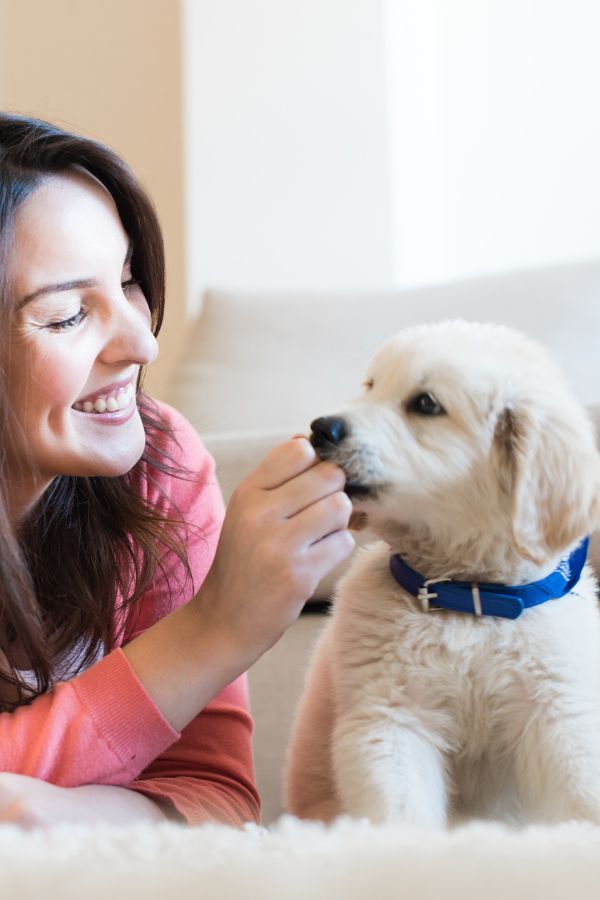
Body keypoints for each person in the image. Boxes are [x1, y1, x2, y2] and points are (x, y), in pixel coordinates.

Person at [0, 113, 354, 827]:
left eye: (129, 281)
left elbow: (216, 800)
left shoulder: (159, 462)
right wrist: (210, 632)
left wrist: (47, 819)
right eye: (69, 315)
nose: (141, 344)